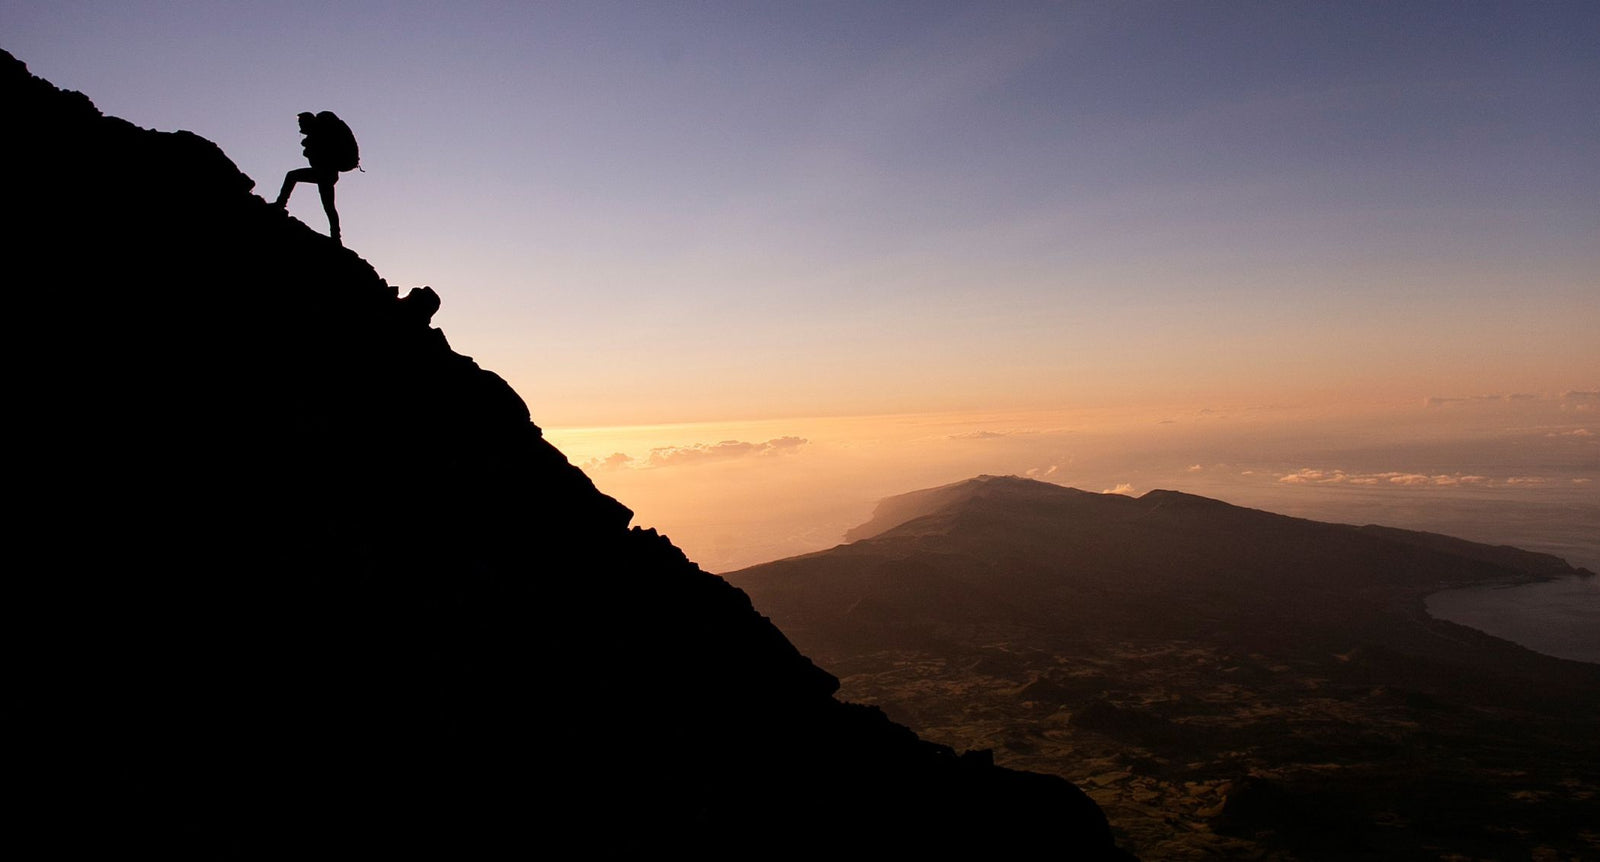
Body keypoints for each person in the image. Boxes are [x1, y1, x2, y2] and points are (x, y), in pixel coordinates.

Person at [274, 111, 358, 245]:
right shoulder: (319, 134)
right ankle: (336, 236)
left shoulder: (319, 134)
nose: (300, 126)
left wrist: (307, 147)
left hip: (325, 173)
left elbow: (319, 153)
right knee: (329, 206)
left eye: (301, 123)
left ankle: (280, 205)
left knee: (292, 176)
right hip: (326, 174)